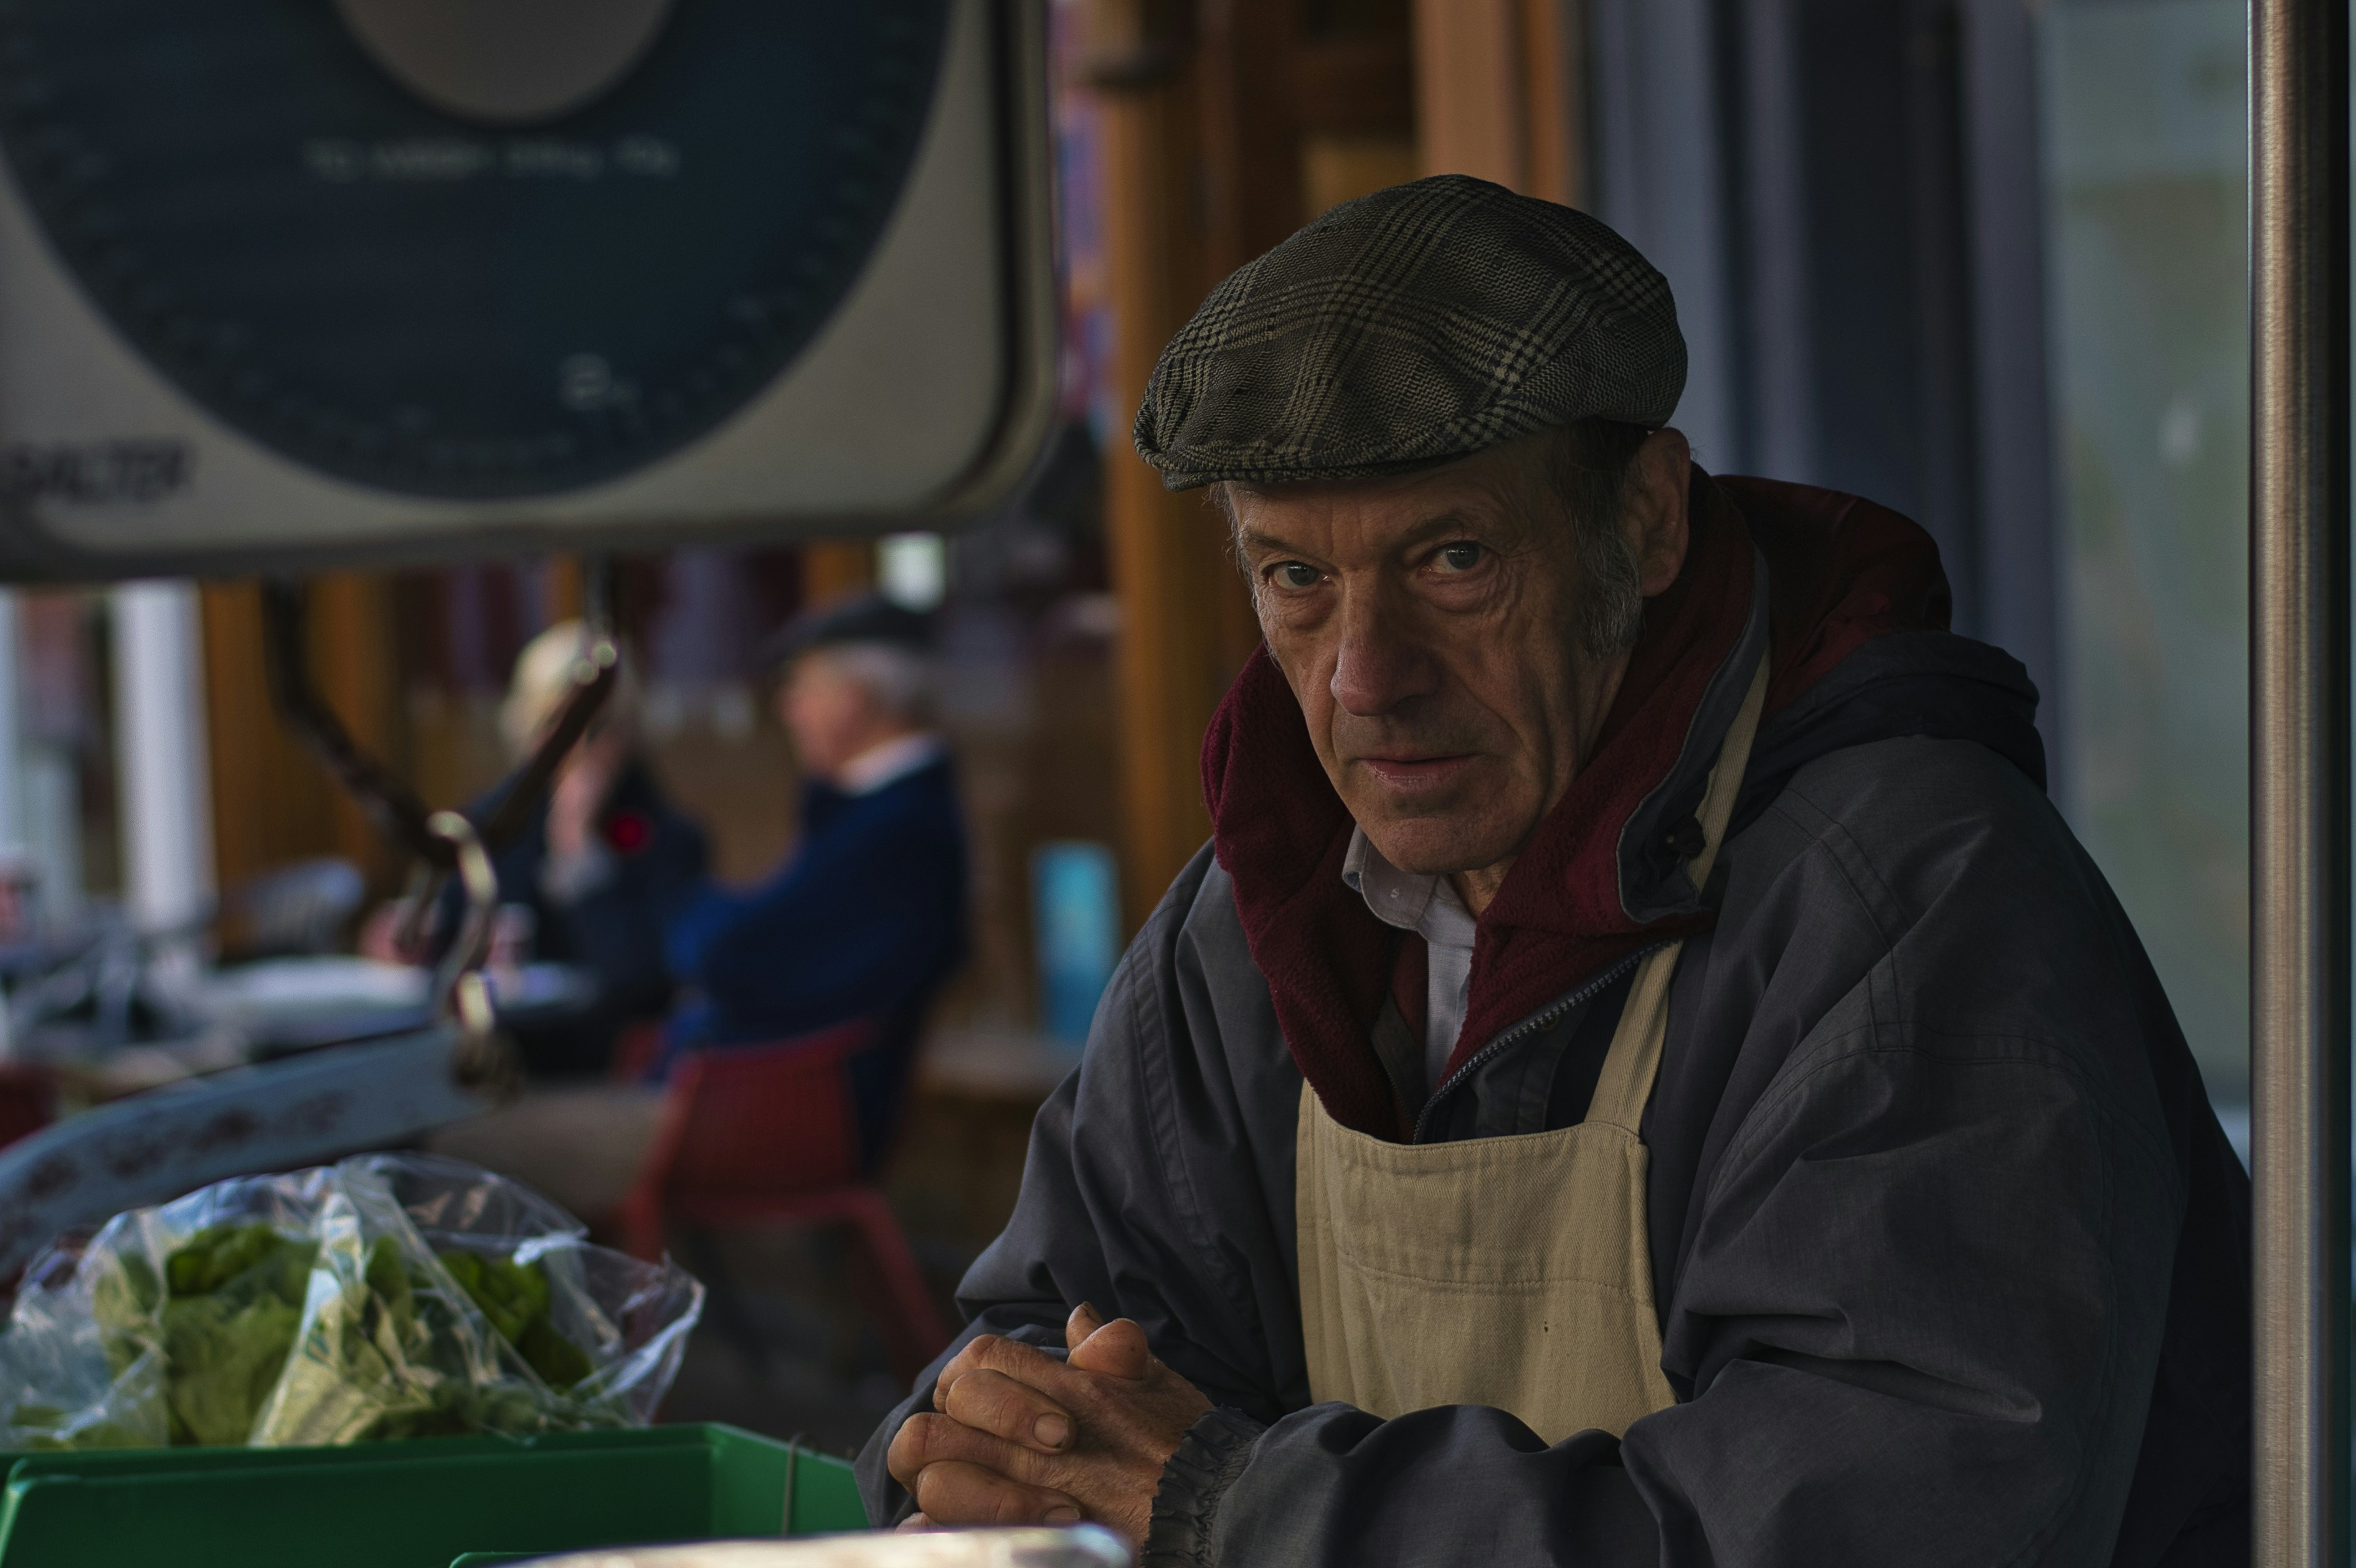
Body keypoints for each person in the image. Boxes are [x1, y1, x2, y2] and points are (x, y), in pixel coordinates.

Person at [861, 176, 2248, 1564]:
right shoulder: (1258, 915)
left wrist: (1233, 1503)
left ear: (1644, 520)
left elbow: (1873, 1521)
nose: (1364, 678)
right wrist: (982, 1435)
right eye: (1294, 578)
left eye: (1453, 559)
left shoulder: (1907, 904)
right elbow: (1068, 1338)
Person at [663, 594, 972, 1165]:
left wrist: (688, 920)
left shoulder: (898, 829)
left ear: (852, 700)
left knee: (522, 1147)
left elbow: (733, 955)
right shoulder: (874, 812)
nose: (789, 709)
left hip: (779, 1121)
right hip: (754, 1105)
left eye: (803, 689)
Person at [364, 620, 709, 1077]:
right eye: (556, 727)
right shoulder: (492, 823)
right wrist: (410, 941)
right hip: (487, 1058)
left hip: (599, 1076)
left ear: (629, 733)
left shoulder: (666, 837)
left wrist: (580, 857)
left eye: (597, 728)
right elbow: (444, 933)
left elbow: (642, 982)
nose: (576, 749)